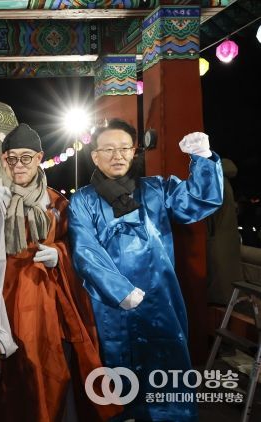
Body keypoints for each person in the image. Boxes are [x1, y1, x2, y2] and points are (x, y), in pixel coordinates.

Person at [0, 123, 120, 422]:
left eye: (26, 158)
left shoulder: (57, 203)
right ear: (3, 159)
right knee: (6, 375)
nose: (18, 165)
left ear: (39, 158)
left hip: (45, 301)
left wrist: (60, 254)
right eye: (11, 158)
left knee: (48, 369)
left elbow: (82, 248)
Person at [68, 118, 223, 421]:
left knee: (167, 364)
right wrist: (120, 291)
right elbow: (85, 251)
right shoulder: (83, 200)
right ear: (95, 156)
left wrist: (203, 159)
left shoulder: (157, 189)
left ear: (134, 152)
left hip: (159, 298)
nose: (117, 155)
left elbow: (198, 201)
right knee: (116, 368)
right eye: (108, 149)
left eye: (124, 148)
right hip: (111, 304)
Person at [207, 158, 243, 305]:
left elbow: (209, 215)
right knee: (229, 273)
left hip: (218, 236)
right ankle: (231, 300)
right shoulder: (225, 181)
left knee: (219, 276)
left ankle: (220, 301)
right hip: (229, 235)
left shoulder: (212, 181)